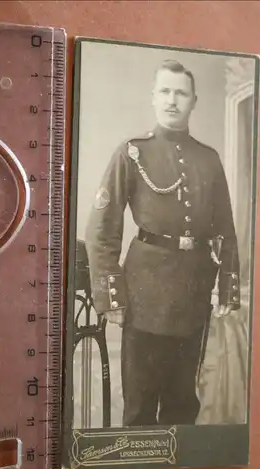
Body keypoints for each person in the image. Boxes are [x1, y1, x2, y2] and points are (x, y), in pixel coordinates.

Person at [85, 59, 241, 427]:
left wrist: (228, 286)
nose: (173, 100)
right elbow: (102, 229)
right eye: (165, 92)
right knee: (139, 406)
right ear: (154, 98)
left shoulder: (208, 159)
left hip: (193, 293)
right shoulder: (131, 152)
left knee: (182, 403)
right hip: (143, 296)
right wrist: (111, 296)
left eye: (181, 93)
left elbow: (226, 229)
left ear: (193, 101)